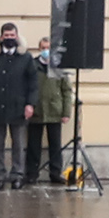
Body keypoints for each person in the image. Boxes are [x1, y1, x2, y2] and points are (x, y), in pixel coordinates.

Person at [0, 22, 39, 186]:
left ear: (17, 36)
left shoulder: (26, 58)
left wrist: (30, 104)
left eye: (12, 35)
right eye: (6, 36)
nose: (9, 38)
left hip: (19, 108)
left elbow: (33, 84)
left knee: (18, 145)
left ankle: (17, 174)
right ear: (1, 37)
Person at [35, 48, 74, 189]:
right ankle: (32, 173)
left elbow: (66, 91)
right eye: (43, 48)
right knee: (33, 144)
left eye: (49, 48)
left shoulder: (59, 67)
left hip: (55, 110)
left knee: (55, 144)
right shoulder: (33, 65)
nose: (46, 51)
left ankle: (56, 172)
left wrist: (66, 112)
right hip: (36, 109)